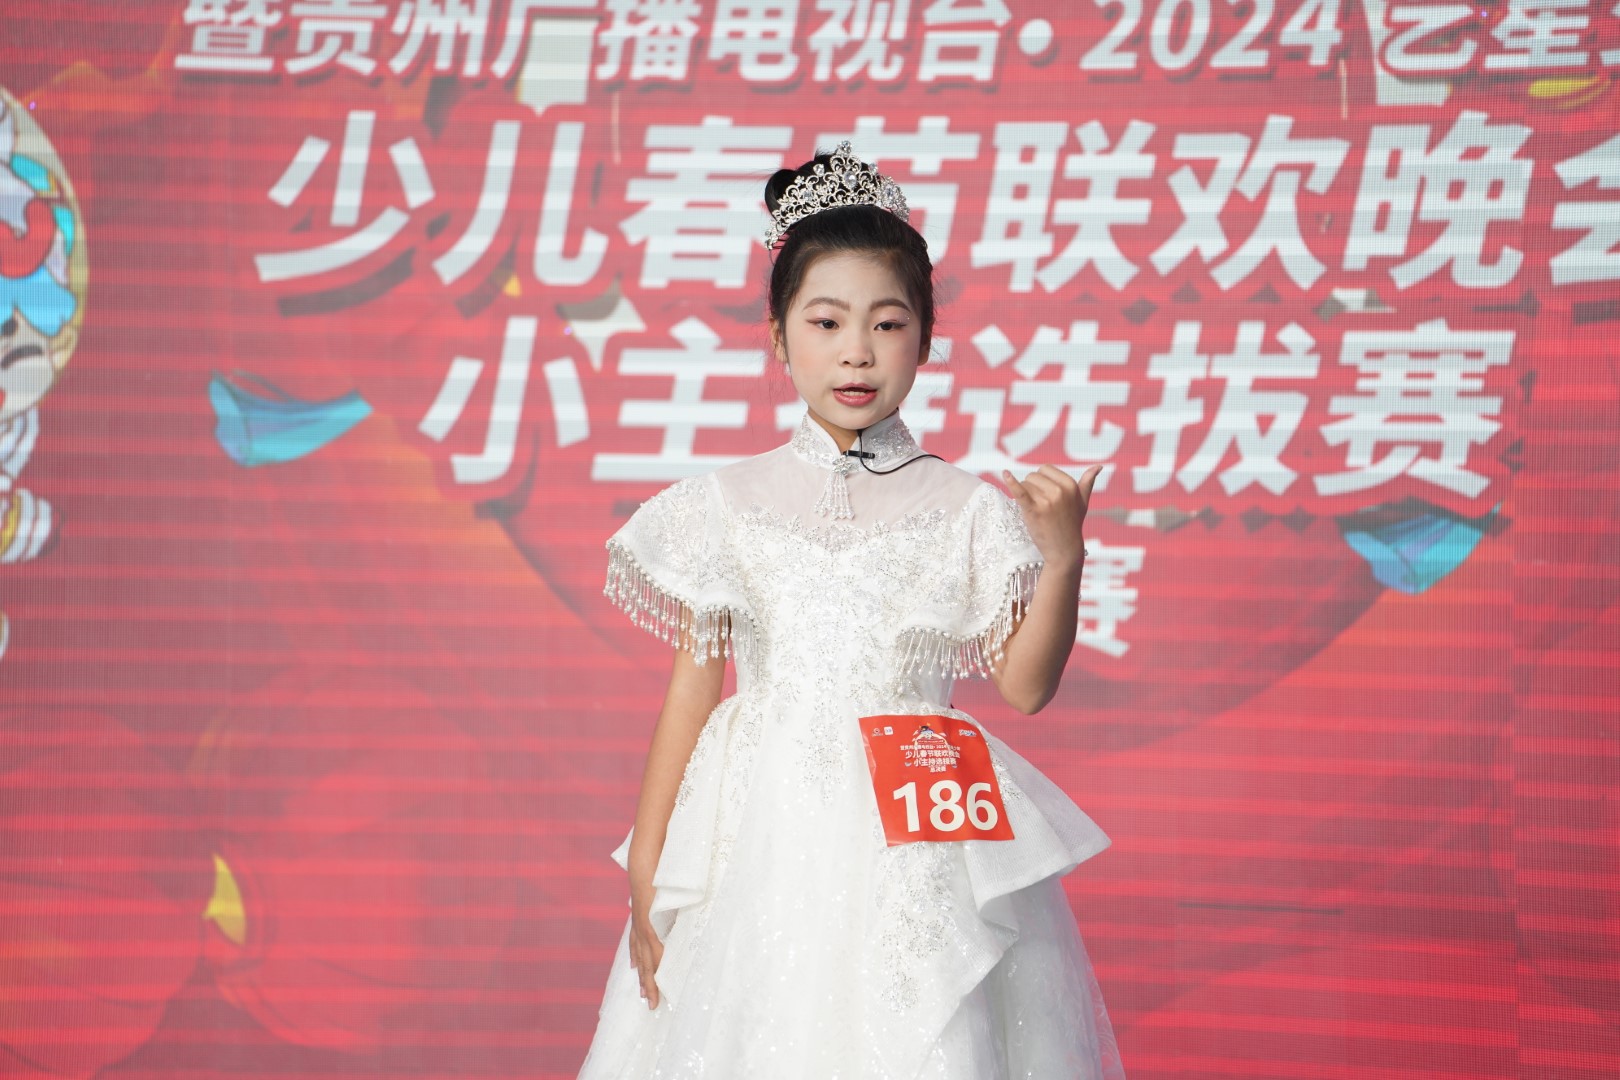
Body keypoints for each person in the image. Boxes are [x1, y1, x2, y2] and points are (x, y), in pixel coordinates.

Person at [578, 142, 1126, 1080]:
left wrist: (1063, 556)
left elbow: (1026, 689)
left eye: (888, 323)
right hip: (759, 825)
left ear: (926, 339)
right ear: (778, 336)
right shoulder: (723, 505)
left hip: (911, 827)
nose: (857, 351)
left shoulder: (967, 508)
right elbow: (691, 693)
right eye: (826, 321)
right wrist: (648, 860)